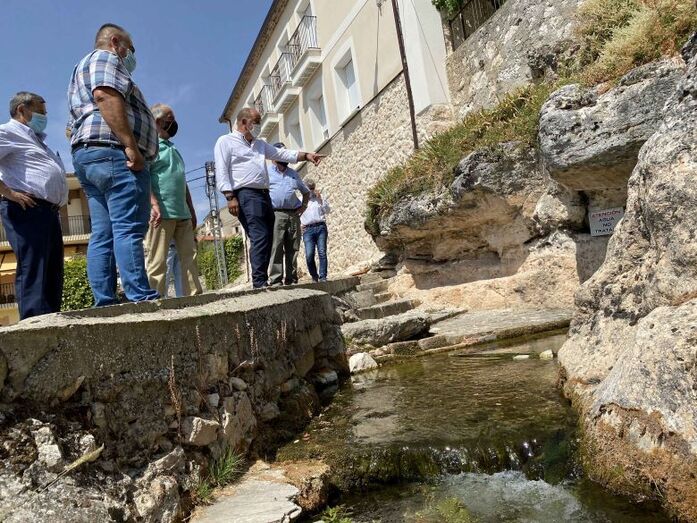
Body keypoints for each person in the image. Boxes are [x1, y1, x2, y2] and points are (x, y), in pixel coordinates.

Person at [68, 23, 160, 307]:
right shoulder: (105, 57)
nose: (131, 56)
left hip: (89, 155)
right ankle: (140, 297)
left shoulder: (79, 69)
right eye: (130, 49)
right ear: (116, 42)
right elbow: (105, 95)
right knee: (127, 227)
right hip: (113, 152)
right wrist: (131, 145)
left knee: (103, 232)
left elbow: (73, 124)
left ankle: (105, 302)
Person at [214, 107, 324, 288]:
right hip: (245, 194)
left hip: (264, 195)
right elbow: (221, 170)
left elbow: (282, 154)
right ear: (244, 122)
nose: (258, 126)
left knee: (270, 237)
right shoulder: (225, 142)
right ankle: (259, 282)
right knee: (259, 235)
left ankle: (263, 279)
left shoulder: (259, 144)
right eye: (255, 123)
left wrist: (306, 155)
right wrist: (229, 196)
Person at [0, 92, 68, 319]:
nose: (45, 117)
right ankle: (34, 324)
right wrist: (9, 193)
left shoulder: (36, 139)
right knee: (34, 267)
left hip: (48, 212)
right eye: (41, 112)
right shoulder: (8, 132)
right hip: (26, 209)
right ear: (22, 109)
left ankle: (52, 322)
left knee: (52, 272)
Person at [145, 103, 202, 297]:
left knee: (190, 259)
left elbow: (182, 181)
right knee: (157, 261)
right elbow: (144, 178)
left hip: (182, 214)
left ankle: (194, 299)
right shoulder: (149, 147)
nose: (174, 124)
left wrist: (191, 211)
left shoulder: (173, 148)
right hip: (161, 213)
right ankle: (155, 302)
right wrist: (153, 204)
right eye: (170, 120)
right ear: (157, 121)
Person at [268, 142, 310, 286]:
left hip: (293, 214)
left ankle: (291, 278)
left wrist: (303, 206)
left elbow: (306, 192)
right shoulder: (267, 173)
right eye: (281, 153)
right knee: (277, 246)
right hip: (276, 214)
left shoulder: (293, 174)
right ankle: (276, 280)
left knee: (293, 247)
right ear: (274, 157)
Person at [300, 179, 330, 282]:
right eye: (310, 188)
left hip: (320, 227)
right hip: (307, 230)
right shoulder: (300, 200)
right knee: (309, 255)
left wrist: (321, 199)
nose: (312, 191)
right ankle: (314, 276)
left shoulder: (319, 199)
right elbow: (296, 213)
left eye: (313, 188)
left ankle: (323, 276)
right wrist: (299, 225)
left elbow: (327, 210)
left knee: (322, 252)